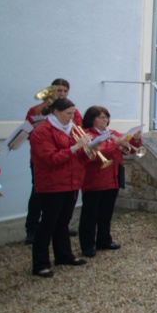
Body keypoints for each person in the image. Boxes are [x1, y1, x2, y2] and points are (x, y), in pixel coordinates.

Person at [28, 97, 90, 277]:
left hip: (72, 181)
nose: (72, 117)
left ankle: (64, 255)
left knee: (63, 221)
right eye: (68, 114)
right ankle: (40, 263)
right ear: (55, 112)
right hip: (52, 184)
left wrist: (90, 147)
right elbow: (50, 159)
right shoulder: (41, 132)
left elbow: (80, 157)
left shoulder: (72, 129)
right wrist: (75, 147)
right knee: (48, 223)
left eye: (73, 113)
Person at [24, 78, 82, 244]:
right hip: (45, 158)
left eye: (65, 91)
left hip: (68, 158)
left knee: (65, 200)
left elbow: (78, 129)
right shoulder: (37, 110)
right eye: (59, 91)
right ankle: (32, 228)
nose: (62, 94)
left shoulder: (73, 111)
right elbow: (29, 132)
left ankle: (61, 227)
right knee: (38, 194)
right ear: (52, 92)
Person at [78, 106, 139, 257]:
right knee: (90, 214)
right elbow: (94, 153)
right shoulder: (86, 135)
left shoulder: (112, 133)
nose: (104, 120)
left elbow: (129, 149)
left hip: (113, 178)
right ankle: (87, 245)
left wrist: (135, 140)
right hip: (95, 179)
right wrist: (116, 145)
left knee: (106, 213)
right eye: (101, 117)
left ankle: (104, 240)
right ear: (92, 119)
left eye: (106, 117)